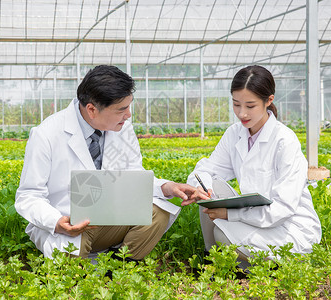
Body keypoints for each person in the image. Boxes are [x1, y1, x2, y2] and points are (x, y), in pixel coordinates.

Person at [15, 65, 196, 261]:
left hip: (109, 220)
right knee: (70, 266)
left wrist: (167, 187)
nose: (128, 115)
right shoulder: (46, 134)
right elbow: (29, 196)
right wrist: (57, 222)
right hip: (68, 225)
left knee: (158, 212)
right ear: (92, 110)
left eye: (129, 106)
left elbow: (133, 177)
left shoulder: (123, 128)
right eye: (121, 109)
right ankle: (83, 264)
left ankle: (120, 266)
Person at [184, 65, 321, 261]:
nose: (242, 114)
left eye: (250, 106)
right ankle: (211, 257)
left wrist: (231, 215)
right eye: (236, 104)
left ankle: (240, 265)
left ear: (269, 100)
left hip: (289, 226)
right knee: (208, 189)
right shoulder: (235, 133)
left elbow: (282, 209)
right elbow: (207, 169)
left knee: (222, 235)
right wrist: (199, 187)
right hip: (255, 218)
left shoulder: (285, 141)